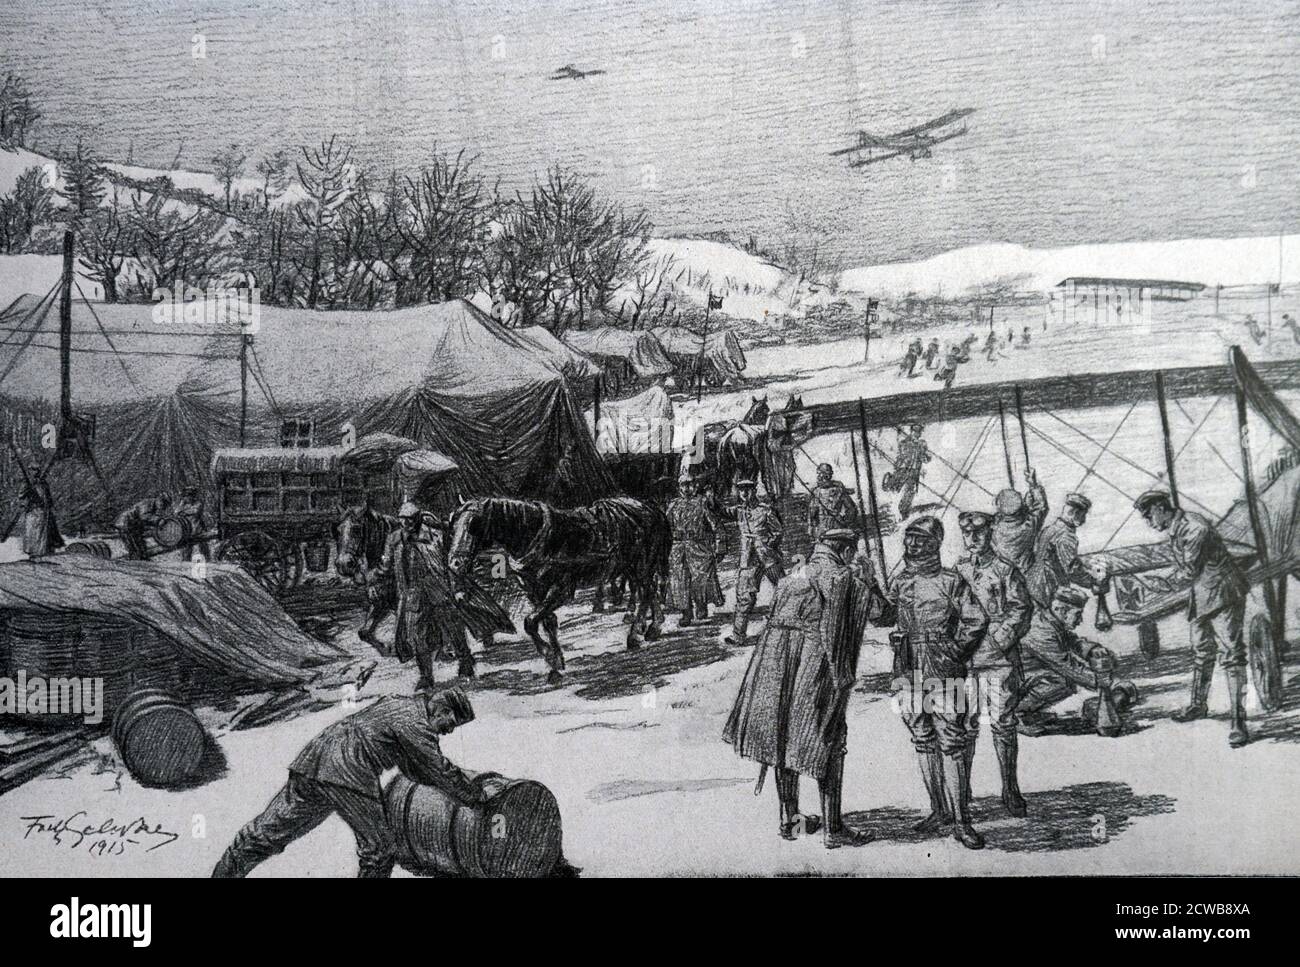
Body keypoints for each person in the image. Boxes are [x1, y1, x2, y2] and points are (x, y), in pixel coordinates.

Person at [723, 529, 889, 847]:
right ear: (845, 549)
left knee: (782, 738)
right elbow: (869, 619)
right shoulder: (841, 575)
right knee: (828, 736)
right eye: (852, 553)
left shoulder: (795, 574)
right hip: (813, 660)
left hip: (774, 663)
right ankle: (833, 829)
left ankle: (791, 822)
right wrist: (869, 582)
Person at [212, 687, 485, 878]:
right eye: (451, 723)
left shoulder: (395, 703)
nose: (448, 731)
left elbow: (415, 768)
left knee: (268, 832)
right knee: (379, 848)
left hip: (313, 760)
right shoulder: (416, 725)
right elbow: (438, 769)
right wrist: (474, 794)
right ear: (442, 707)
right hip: (348, 774)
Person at [881, 516, 990, 849]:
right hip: (907, 666)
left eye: (918, 539)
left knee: (952, 741)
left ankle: (961, 821)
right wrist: (869, 585)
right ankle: (939, 811)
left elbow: (976, 620)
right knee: (922, 737)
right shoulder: (899, 582)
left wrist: (954, 650)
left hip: (943, 668)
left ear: (934, 544)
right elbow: (882, 615)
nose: (910, 545)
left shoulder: (951, 581)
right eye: (909, 539)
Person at [1135, 489, 1250, 747]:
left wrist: (1159, 584)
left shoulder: (1194, 527)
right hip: (1202, 597)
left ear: (1161, 509)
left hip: (1222, 594)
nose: (1148, 521)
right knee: (1201, 650)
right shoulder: (1178, 529)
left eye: (1149, 515)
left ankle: (1238, 721)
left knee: (1232, 655)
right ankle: (1198, 705)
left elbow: (1188, 570)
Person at [955, 510, 1032, 817]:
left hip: (999, 660)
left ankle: (1010, 789)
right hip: (967, 660)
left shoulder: (1004, 569)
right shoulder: (958, 569)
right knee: (966, 726)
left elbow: (1021, 609)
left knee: (1003, 726)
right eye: (967, 534)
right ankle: (964, 791)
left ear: (990, 534)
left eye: (978, 533)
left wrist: (998, 640)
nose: (972, 539)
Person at [375, 500, 475, 687]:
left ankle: (466, 661)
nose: (407, 524)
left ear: (419, 519)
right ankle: (426, 677)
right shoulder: (395, 539)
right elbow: (386, 566)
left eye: (411, 519)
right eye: (403, 520)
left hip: (438, 590)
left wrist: (459, 588)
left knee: (453, 628)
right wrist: (373, 579)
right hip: (413, 594)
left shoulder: (435, 536)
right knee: (416, 637)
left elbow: (453, 564)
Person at [1017, 585, 1112, 734]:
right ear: (1061, 610)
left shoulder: (1050, 622)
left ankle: (1027, 712)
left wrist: (1091, 649)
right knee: (1064, 681)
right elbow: (1067, 665)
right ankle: (1015, 715)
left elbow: (1072, 641)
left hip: (1022, 677)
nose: (1080, 620)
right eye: (1077, 614)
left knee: (1064, 680)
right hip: (1009, 683)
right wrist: (1098, 679)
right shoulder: (1041, 631)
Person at [719, 479, 784, 646]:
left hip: (768, 558)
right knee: (744, 596)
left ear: (754, 490)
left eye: (747, 489)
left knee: (783, 589)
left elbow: (778, 531)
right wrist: (710, 498)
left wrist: (768, 544)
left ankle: (788, 628)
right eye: (741, 490)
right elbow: (721, 511)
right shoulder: (739, 510)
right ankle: (738, 635)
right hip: (748, 559)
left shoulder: (765, 510)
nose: (744, 493)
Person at [1027, 491, 1104, 608]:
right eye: (1083, 515)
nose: (1084, 520)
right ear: (1075, 514)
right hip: (1050, 587)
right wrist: (1093, 582)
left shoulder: (1049, 529)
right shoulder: (1066, 536)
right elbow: (1072, 570)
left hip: (1034, 583)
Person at [665, 476, 724, 626]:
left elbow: (716, 525)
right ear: (679, 487)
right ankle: (686, 613)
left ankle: (701, 606)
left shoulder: (702, 502)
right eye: (683, 485)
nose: (686, 488)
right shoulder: (673, 505)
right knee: (679, 580)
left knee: (701, 579)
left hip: (698, 547)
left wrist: (720, 545)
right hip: (678, 548)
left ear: (695, 486)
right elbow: (665, 526)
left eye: (689, 485)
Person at [991, 468, 1048, 575]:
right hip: (1027, 573)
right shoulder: (1028, 526)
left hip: (1001, 574)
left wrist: (1025, 507)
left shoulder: (993, 527)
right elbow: (1041, 507)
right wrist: (1033, 484)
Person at [18, 460, 61, 558]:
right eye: (32, 470)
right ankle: (33, 553)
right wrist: (29, 492)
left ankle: (42, 552)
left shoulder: (43, 482)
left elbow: (48, 496)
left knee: (42, 532)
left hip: (43, 511)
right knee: (32, 531)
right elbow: (21, 495)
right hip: (33, 510)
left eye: (35, 470)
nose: (34, 472)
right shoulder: (27, 482)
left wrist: (48, 505)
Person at [807, 462, 858, 539]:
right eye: (819, 474)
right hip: (827, 528)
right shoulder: (817, 492)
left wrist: (846, 521)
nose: (820, 477)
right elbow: (812, 512)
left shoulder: (837, 490)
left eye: (821, 474)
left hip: (830, 528)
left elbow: (851, 509)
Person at [114, 493, 172, 560]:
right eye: (163, 503)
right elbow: (144, 517)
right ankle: (135, 560)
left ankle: (141, 558)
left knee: (140, 543)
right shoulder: (147, 503)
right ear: (159, 499)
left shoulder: (153, 506)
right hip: (126, 522)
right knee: (133, 543)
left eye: (165, 505)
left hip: (133, 524)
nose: (163, 507)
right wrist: (158, 520)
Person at [173, 484, 209, 562]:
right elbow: (176, 512)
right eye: (187, 496)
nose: (188, 498)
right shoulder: (183, 503)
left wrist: (184, 511)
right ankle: (185, 561)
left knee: (203, 545)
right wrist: (182, 505)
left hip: (198, 528)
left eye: (190, 495)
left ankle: (207, 560)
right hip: (187, 529)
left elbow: (195, 511)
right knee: (186, 547)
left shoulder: (198, 503)